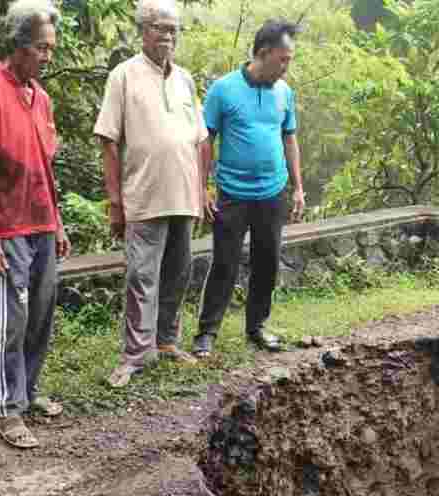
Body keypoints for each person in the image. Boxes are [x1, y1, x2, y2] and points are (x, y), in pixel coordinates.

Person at [0, 0, 71, 449]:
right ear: (20, 45)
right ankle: (8, 410)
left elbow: (44, 168)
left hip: (42, 224)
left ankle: (28, 391)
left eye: (50, 49)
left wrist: (59, 224)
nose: (48, 57)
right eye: (42, 49)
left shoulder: (41, 98)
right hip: (7, 231)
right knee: (14, 320)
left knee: (42, 315)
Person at [95, 0, 209, 388]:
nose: (168, 35)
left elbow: (199, 140)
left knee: (178, 273)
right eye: (161, 27)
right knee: (142, 277)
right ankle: (134, 355)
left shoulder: (186, 79)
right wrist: (115, 201)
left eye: (173, 29)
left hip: (183, 197)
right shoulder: (123, 76)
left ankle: (166, 342)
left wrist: (201, 190)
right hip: (142, 196)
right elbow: (108, 141)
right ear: (143, 30)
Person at [192, 19, 305, 358]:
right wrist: (203, 186)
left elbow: (290, 138)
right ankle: (207, 332)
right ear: (264, 53)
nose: (286, 68)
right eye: (283, 60)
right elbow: (205, 139)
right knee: (224, 262)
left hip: (273, 192)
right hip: (232, 192)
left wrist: (298, 187)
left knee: (267, 261)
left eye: (290, 60)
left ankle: (257, 326)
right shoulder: (223, 90)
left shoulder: (284, 93)